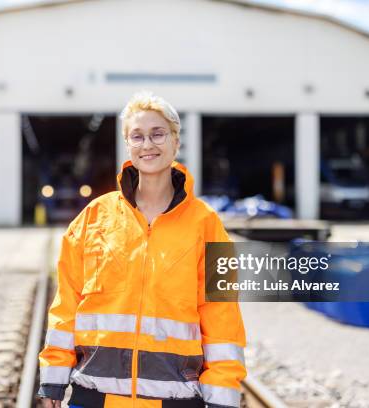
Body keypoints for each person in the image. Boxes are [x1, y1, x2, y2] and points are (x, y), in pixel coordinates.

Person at [37, 91, 247, 408]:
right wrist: (53, 380)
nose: (147, 144)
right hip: (95, 397)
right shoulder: (94, 217)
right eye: (137, 136)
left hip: (175, 400)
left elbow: (222, 317)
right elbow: (67, 303)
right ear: (128, 146)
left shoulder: (207, 224)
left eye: (157, 134)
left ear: (176, 142)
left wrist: (221, 397)